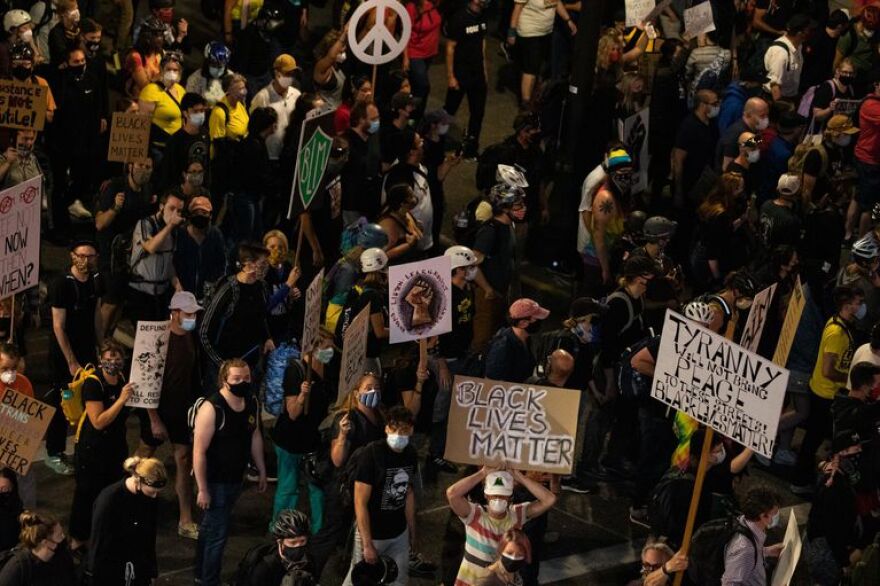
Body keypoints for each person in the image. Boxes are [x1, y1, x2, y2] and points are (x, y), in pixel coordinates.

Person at [193, 358, 267, 586]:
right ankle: (209, 580)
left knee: (209, 529)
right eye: (236, 378)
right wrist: (203, 489)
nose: (242, 382)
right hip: (215, 481)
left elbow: (254, 435)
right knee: (218, 535)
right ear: (224, 380)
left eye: (246, 377)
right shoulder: (212, 408)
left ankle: (200, 574)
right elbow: (198, 452)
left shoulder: (251, 402)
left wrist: (262, 469)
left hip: (236, 477)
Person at [310, 373, 387, 577]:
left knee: (352, 533)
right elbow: (337, 460)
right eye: (368, 387)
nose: (373, 392)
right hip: (343, 488)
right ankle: (308, 573)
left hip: (366, 485)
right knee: (332, 532)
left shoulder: (379, 416)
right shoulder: (346, 418)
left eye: (377, 388)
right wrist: (343, 436)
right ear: (356, 392)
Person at [792, 285, 863, 494]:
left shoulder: (842, 325)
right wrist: (850, 378)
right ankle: (801, 480)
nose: (861, 307)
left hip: (827, 393)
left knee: (815, 438)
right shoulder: (836, 332)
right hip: (825, 394)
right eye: (858, 303)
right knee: (813, 438)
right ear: (847, 305)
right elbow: (828, 370)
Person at [68, 340, 134, 550]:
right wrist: (121, 400)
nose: (113, 363)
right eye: (108, 359)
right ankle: (78, 540)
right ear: (100, 360)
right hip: (92, 449)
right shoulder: (93, 383)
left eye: (117, 358)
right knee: (86, 495)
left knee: (113, 492)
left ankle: (105, 534)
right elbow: (98, 421)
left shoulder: (122, 379)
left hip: (115, 447)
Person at [341, 406, 418, 586]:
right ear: (386, 429)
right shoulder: (372, 454)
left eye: (404, 430)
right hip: (373, 534)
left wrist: (412, 531)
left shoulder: (411, 454)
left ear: (411, 430)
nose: (398, 434)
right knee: (360, 580)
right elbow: (360, 502)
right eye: (394, 428)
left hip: (398, 533)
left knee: (398, 580)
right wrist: (367, 544)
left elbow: (408, 493)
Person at [147, 292, 203, 539]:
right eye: (188, 313)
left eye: (194, 313)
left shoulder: (191, 337)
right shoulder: (158, 339)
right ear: (175, 313)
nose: (192, 317)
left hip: (182, 411)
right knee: (143, 458)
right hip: (159, 410)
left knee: (182, 459)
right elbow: (145, 381)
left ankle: (185, 518)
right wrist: (153, 419)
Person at [46, 240, 104, 476]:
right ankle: (54, 452)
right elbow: (58, 326)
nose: (86, 260)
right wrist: (70, 360)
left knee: (88, 400)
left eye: (91, 256)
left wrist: (102, 346)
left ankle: (83, 449)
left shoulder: (96, 281)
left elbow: (97, 316)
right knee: (63, 402)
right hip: (64, 358)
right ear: (72, 256)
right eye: (82, 255)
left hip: (87, 352)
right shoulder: (61, 284)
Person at [446, 467, 556, 585]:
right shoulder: (474, 514)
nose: (498, 499)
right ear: (486, 495)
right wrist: (482, 473)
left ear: (510, 497)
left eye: (503, 495)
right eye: (494, 495)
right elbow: (452, 494)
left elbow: (549, 499)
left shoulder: (517, 514)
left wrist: (520, 477)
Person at [270, 328, 334, 530]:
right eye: (327, 348)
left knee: (317, 487)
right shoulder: (295, 371)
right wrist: (301, 396)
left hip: (312, 440)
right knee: (288, 489)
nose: (330, 352)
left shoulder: (325, 368)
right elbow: (293, 413)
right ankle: (281, 528)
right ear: (313, 348)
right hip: (291, 441)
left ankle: (319, 529)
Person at [428, 245, 479, 477]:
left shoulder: (466, 289)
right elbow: (431, 333)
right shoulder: (444, 296)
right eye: (469, 267)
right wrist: (441, 364)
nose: (473, 270)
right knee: (441, 408)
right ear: (458, 268)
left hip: (461, 356)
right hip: (445, 361)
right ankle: (435, 455)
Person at [199, 243, 274, 381]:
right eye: (262, 263)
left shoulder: (262, 286)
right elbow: (204, 331)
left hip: (250, 362)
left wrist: (267, 337)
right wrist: (221, 364)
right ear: (248, 264)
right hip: (223, 364)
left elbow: (261, 317)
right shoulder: (229, 290)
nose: (266, 267)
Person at [87, 457, 167, 586]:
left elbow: (149, 534)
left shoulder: (149, 496)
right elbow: (99, 542)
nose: (154, 497)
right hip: (112, 566)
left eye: (158, 493)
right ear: (138, 480)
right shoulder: (109, 500)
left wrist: (151, 570)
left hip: (136, 561)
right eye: (152, 492)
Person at [805, 429, 863, 586]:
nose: (860, 452)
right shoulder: (834, 487)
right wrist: (844, 562)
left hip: (825, 547)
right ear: (843, 452)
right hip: (826, 553)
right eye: (856, 449)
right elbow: (832, 530)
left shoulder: (839, 475)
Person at [472, 183, 525, 349]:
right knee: (483, 338)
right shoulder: (489, 232)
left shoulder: (509, 226)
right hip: (488, 296)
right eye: (518, 205)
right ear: (504, 207)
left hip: (501, 292)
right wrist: (487, 289)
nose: (523, 208)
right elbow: (472, 264)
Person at [580, 148, 632, 296]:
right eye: (622, 174)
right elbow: (599, 237)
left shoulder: (619, 194)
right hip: (597, 260)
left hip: (608, 255)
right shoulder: (606, 198)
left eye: (629, 173)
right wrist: (605, 269)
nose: (626, 178)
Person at [506, 0, 576, 108]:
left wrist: (568, 20)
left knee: (537, 68)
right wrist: (512, 32)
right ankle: (525, 104)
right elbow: (517, 8)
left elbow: (557, 3)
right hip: (529, 31)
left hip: (546, 32)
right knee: (531, 69)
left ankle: (532, 98)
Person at [128, 190, 185, 322]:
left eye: (179, 211)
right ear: (161, 207)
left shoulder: (174, 231)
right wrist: (170, 225)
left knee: (160, 336)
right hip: (141, 292)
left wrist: (176, 283)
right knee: (144, 339)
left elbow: (168, 262)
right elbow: (151, 247)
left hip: (161, 294)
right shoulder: (145, 224)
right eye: (172, 208)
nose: (175, 214)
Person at [444, 0, 489, 159]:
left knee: (478, 113)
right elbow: (450, 47)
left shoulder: (483, 17)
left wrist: (484, 69)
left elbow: (482, 42)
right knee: (449, 111)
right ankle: (437, 142)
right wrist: (451, 76)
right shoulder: (459, 18)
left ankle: (471, 149)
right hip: (461, 74)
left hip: (477, 75)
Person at [690, 172, 746, 292]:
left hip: (699, 252)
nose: (742, 190)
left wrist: (742, 220)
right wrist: (718, 278)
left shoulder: (711, 204)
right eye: (740, 187)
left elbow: (725, 230)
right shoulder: (721, 215)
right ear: (732, 190)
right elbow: (712, 251)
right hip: (708, 262)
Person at [720, 486, 784, 584]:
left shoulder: (744, 521)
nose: (777, 515)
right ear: (763, 516)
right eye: (775, 513)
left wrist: (766, 551)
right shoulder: (745, 549)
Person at [0, 343, 36, 508]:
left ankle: (29, 520)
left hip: (18, 445)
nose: (10, 373)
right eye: (5, 368)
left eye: (13, 368)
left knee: (26, 487)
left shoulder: (24, 383)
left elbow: (32, 417)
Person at [173, 196, 226, 302]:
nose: (200, 216)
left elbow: (221, 265)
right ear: (190, 215)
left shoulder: (215, 235)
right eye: (196, 212)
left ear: (210, 216)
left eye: (204, 213)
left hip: (207, 297)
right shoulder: (180, 234)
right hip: (182, 294)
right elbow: (172, 263)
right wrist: (177, 285)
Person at [250, 54, 301, 164]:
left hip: (289, 154)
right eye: (287, 74)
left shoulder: (296, 94)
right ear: (277, 73)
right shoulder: (262, 97)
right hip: (269, 156)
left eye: (292, 74)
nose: (290, 77)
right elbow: (254, 129)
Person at [673, 90, 720, 208]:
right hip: (692, 182)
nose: (718, 106)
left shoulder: (712, 123)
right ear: (703, 105)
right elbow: (678, 160)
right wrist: (678, 191)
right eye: (714, 104)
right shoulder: (689, 127)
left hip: (707, 179)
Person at [0, 511, 75, 586]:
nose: (63, 537)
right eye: (59, 535)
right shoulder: (18, 568)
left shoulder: (64, 558)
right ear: (45, 542)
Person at [485, 298, 549, 383]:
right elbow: (491, 383)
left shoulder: (526, 338)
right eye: (536, 319)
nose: (540, 322)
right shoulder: (502, 347)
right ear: (523, 323)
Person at [244, 509, 315, 585]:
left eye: (302, 541)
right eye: (292, 543)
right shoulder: (266, 567)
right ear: (280, 542)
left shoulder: (308, 561)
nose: (298, 546)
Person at [138, 51, 185, 162]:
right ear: (162, 69)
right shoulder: (151, 91)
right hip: (158, 149)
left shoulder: (181, 90)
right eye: (168, 69)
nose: (172, 73)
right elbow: (142, 126)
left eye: (175, 70)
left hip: (174, 148)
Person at [157, 92, 210, 192]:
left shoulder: (205, 134)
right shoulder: (176, 140)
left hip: (200, 190)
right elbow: (169, 171)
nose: (200, 114)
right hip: (181, 191)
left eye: (202, 110)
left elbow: (206, 163)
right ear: (185, 113)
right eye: (195, 111)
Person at [341, 101, 383, 222]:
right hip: (353, 207)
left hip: (369, 205)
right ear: (361, 120)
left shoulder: (371, 139)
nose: (377, 122)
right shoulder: (346, 143)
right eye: (373, 119)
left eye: (378, 118)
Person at [404, 0, 441, 120]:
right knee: (423, 87)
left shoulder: (435, 3)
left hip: (429, 53)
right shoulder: (412, 7)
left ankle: (415, 118)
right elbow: (406, 33)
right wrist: (405, 57)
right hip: (415, 52)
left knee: (417, 87)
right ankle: (413, 117)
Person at [854, 70, 880, 237]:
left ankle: (850, 233)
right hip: (869, 161)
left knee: (858, 198)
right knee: (867, 205)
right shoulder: (871, 105)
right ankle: (861, 241)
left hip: (869, 158)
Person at [763, 13, 811, 102]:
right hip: (775, 101)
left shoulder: (798, 46)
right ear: (800, 33)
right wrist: (784, 108)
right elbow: (774, 87)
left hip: (790, 97)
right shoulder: (780, 53)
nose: (810, 33)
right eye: (808, 30)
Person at [717, 96, 769, 171]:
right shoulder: (735, 134)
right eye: (762, 116)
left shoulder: (756, 129)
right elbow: (726, 167)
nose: (766, 119)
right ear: (748, 115)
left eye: (767, 115)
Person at [759, 172, 802, 251]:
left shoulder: (766, 205)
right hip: (779, 259)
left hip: (763, 253)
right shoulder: (791, 220)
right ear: (797, 192)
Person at [186, 41, 232, 106]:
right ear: (207, 63)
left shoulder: (232, 79)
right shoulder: (194, 79)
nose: (218, 69)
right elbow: (190, 106)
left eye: (221, 66)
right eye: (214, 65)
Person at [312, 28, 347, 108]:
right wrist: (344, 35)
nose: (343, 49)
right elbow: (331, 56)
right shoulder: (320, 68)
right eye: (340, 47)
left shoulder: (337, 66)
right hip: (327, 115)